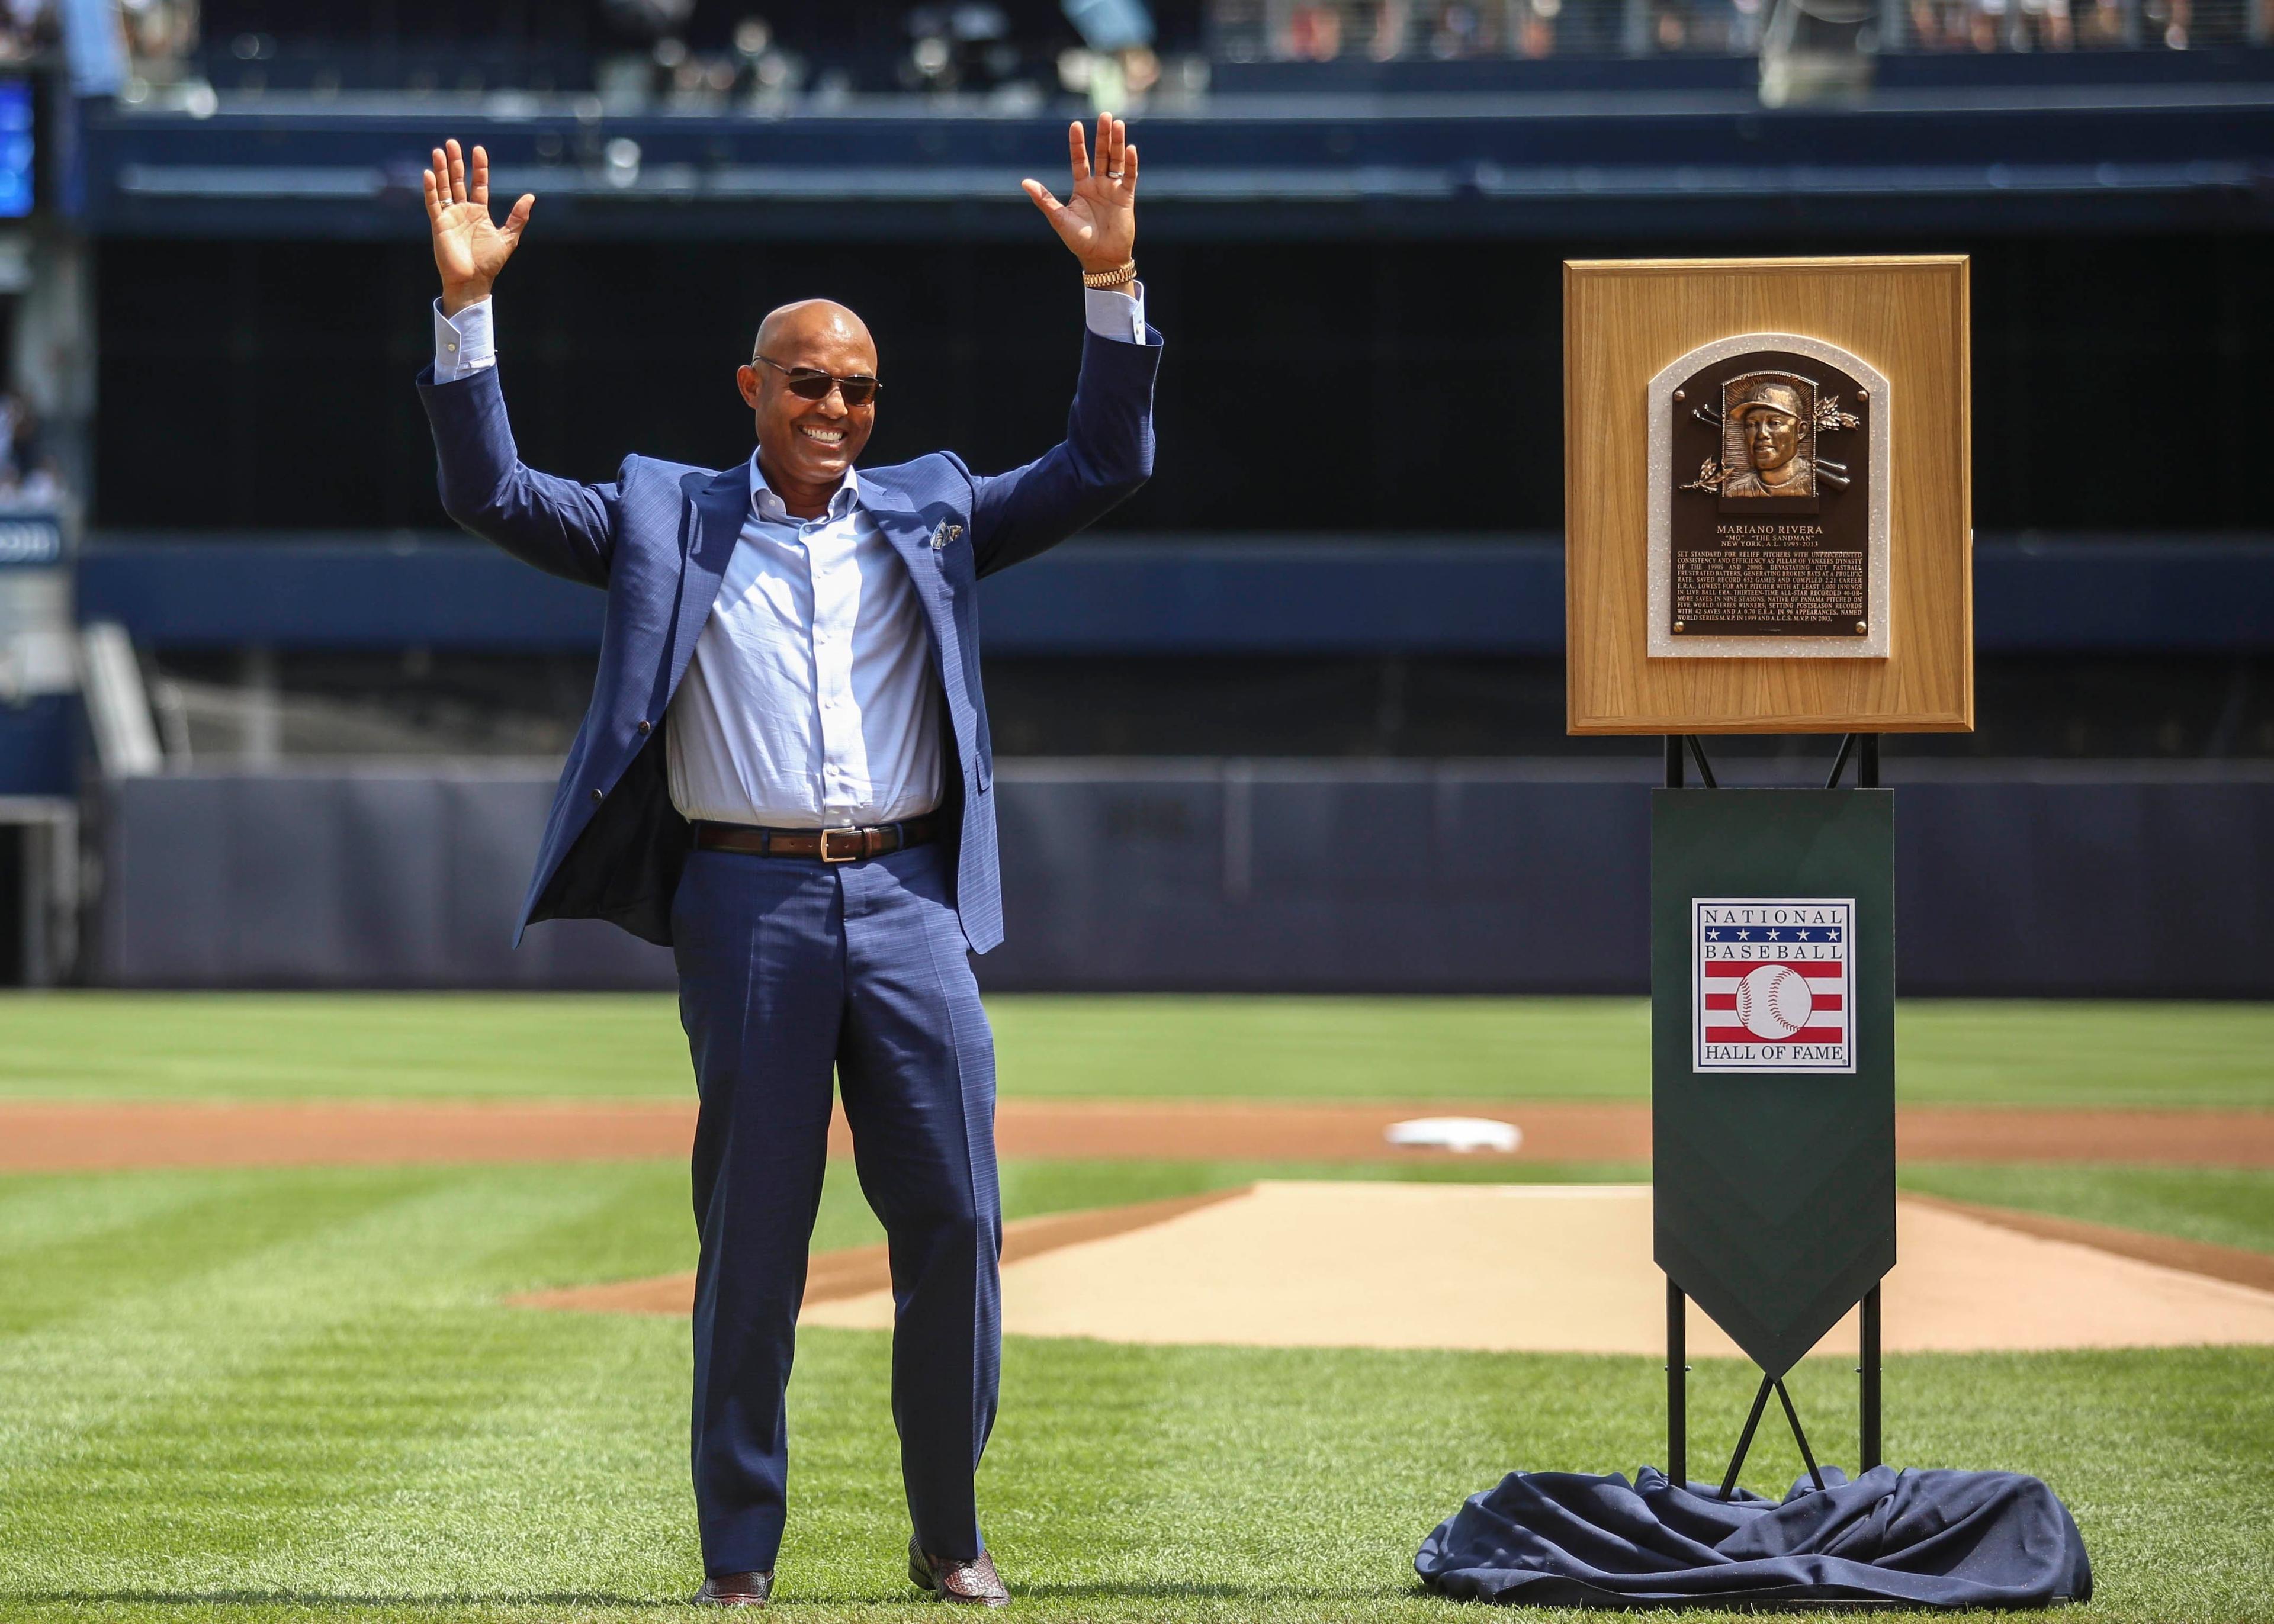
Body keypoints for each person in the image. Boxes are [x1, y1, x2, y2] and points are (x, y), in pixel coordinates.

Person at [415, 122, 1160, 1609]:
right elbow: (489, 492)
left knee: (953, 1215)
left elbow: (1103, 457)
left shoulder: (935, 506)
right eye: (806, 379)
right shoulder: (658, 512)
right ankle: (739, 1559)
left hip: (906, 900)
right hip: (745, 902)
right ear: (751, 390)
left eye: (858, 385)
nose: (834, 403)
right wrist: (464, 309)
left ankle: (947, 1534)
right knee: (751, 1245)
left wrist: (1111, 279)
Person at [1719, 379, 1814, 499]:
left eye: (1775, 423)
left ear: (1800, 430)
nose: (1762, 434)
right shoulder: (1735, 491)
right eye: (1752, 425)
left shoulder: (1814, 484)